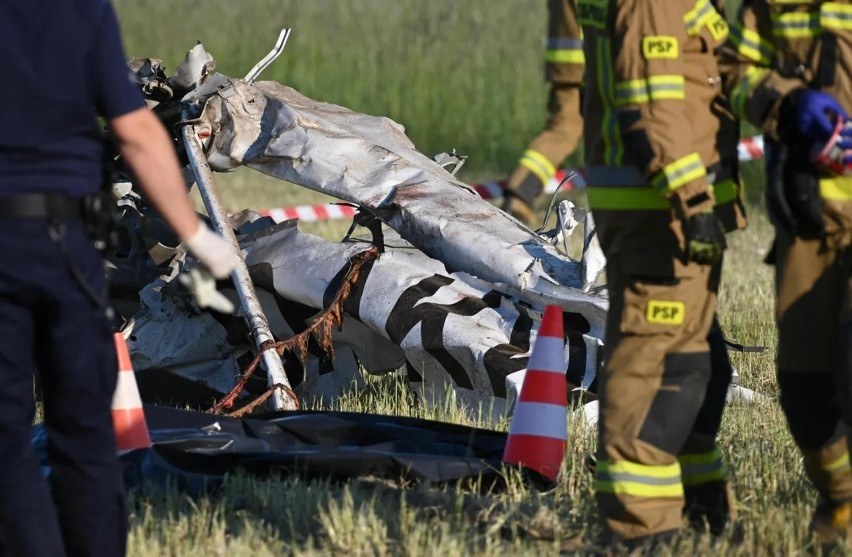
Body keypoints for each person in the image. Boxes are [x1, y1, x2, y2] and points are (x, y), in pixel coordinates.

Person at [0, 1, 239, 555]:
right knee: (85, 430)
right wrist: (198, 234)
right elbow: (135, 132)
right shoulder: (79, 11)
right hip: (68, 244)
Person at [578, 0, 747, 547]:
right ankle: (637, 527)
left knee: (697, 366)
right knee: (654, 362)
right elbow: (652, 105)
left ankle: (700, 506)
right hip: (662, 212)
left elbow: (719, 71)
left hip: (674, 208)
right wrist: (692, 201)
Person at [721, 0, 852, 548]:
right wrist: (790, 100)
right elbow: (729, 71)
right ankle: (842, 500)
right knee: (804, 387)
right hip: (811, 220)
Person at [502, 0, 584, 226]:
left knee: (563, 130)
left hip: (568, 67)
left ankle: (520, 195)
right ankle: (520, 195)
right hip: (597, 65)